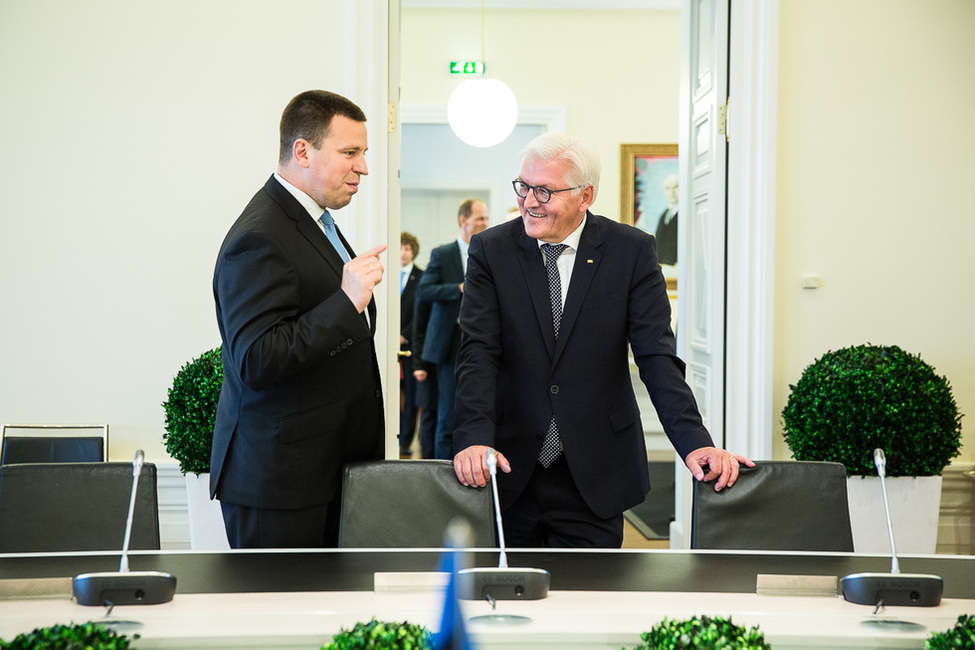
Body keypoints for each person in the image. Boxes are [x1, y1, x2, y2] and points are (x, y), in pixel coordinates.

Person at [451, 132, 752, 548]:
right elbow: (478, 353)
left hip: (596, 471)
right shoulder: (491, 249)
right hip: (508, 465)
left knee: (591, 603)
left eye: (544, 191)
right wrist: (473, 438)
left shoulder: (631, 252)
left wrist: (695, 443)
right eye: (523, 186)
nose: (529, 201)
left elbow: (657, 358)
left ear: (585, 195)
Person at [211, 89, 387, 548]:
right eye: (350, 153)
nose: (363, 167)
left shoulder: (310, 220)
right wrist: (345, 300)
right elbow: (257, 358)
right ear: (302, 151)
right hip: (281, 488)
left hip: (323, 474)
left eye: (364, 153)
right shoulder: (259, 237)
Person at [416, 199, 490, 459]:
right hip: (449, 343)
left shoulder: (489, 253)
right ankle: (441, 476)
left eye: (486, 219)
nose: (485, 224)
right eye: (480, 218)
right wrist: (457, 288)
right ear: (464, 220)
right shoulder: (443, 253)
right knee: (446, 413)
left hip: (479, 341)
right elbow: (424, 291)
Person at [398, 231, 423, 458]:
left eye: (406, 248)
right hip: (389, 347)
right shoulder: (386, 274)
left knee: (412, 398)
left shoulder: (421, 277)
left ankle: (406, 441)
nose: (402, 253)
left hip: (410, 345)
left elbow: (420, 314)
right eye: (400, 248)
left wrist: (403, 335)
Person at [654, 173, 679, 266]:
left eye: (676, 187)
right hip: (663, 266)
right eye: (668, 188)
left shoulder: (687, 214)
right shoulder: (664, 214)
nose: (672, 192)